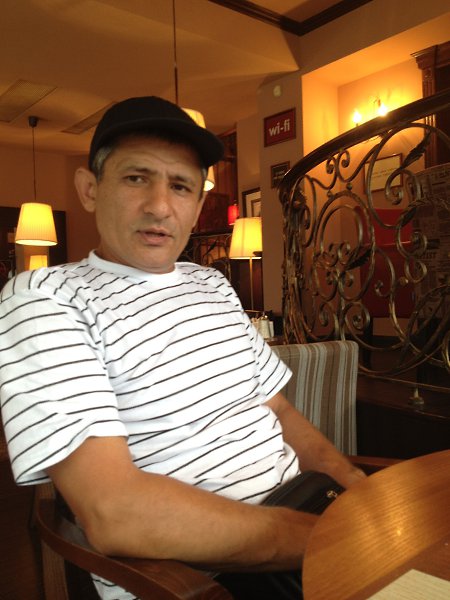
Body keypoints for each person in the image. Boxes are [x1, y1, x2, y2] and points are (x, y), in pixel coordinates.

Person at [0, 96, 365, 600]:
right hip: (199, 577)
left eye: (180, 186)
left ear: (196, 205)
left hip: (305, 514)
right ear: (89, 189)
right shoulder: (45, 298)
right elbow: (114, 512)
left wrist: (355, 488)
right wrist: (331, 539)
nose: (159, 206)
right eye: (136, 178)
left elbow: (278, 409)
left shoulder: (211, 284)